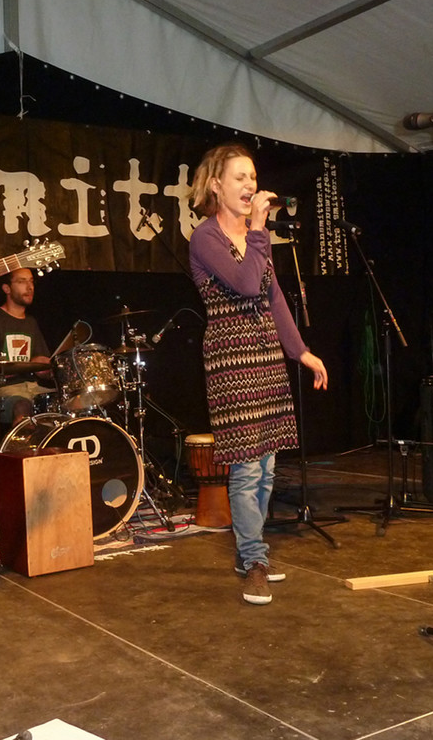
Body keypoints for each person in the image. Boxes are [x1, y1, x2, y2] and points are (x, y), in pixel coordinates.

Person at [188, 143, 328, 605]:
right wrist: (258, 229)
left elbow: (273, 298)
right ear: (216, 185)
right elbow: (248, 283)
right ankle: (255, 560)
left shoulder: (254, 236)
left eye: (252, 176)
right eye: (240, 177)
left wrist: (301, 352)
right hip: (232, 357)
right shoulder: (206, 237)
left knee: (267, 467)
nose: (250, 185)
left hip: (266, 353)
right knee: (247, 468)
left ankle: (250, 553)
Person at [0, 267, 54, 424]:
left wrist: (47, 368)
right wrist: (20, 367)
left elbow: (42, 364)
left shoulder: (31, 322)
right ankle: (21, 439)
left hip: (32, 387)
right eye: (22, 281)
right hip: (3, 390)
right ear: (7, 288)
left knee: (68, 402)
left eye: (31, 281)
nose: (30, 287)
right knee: (22, 405)